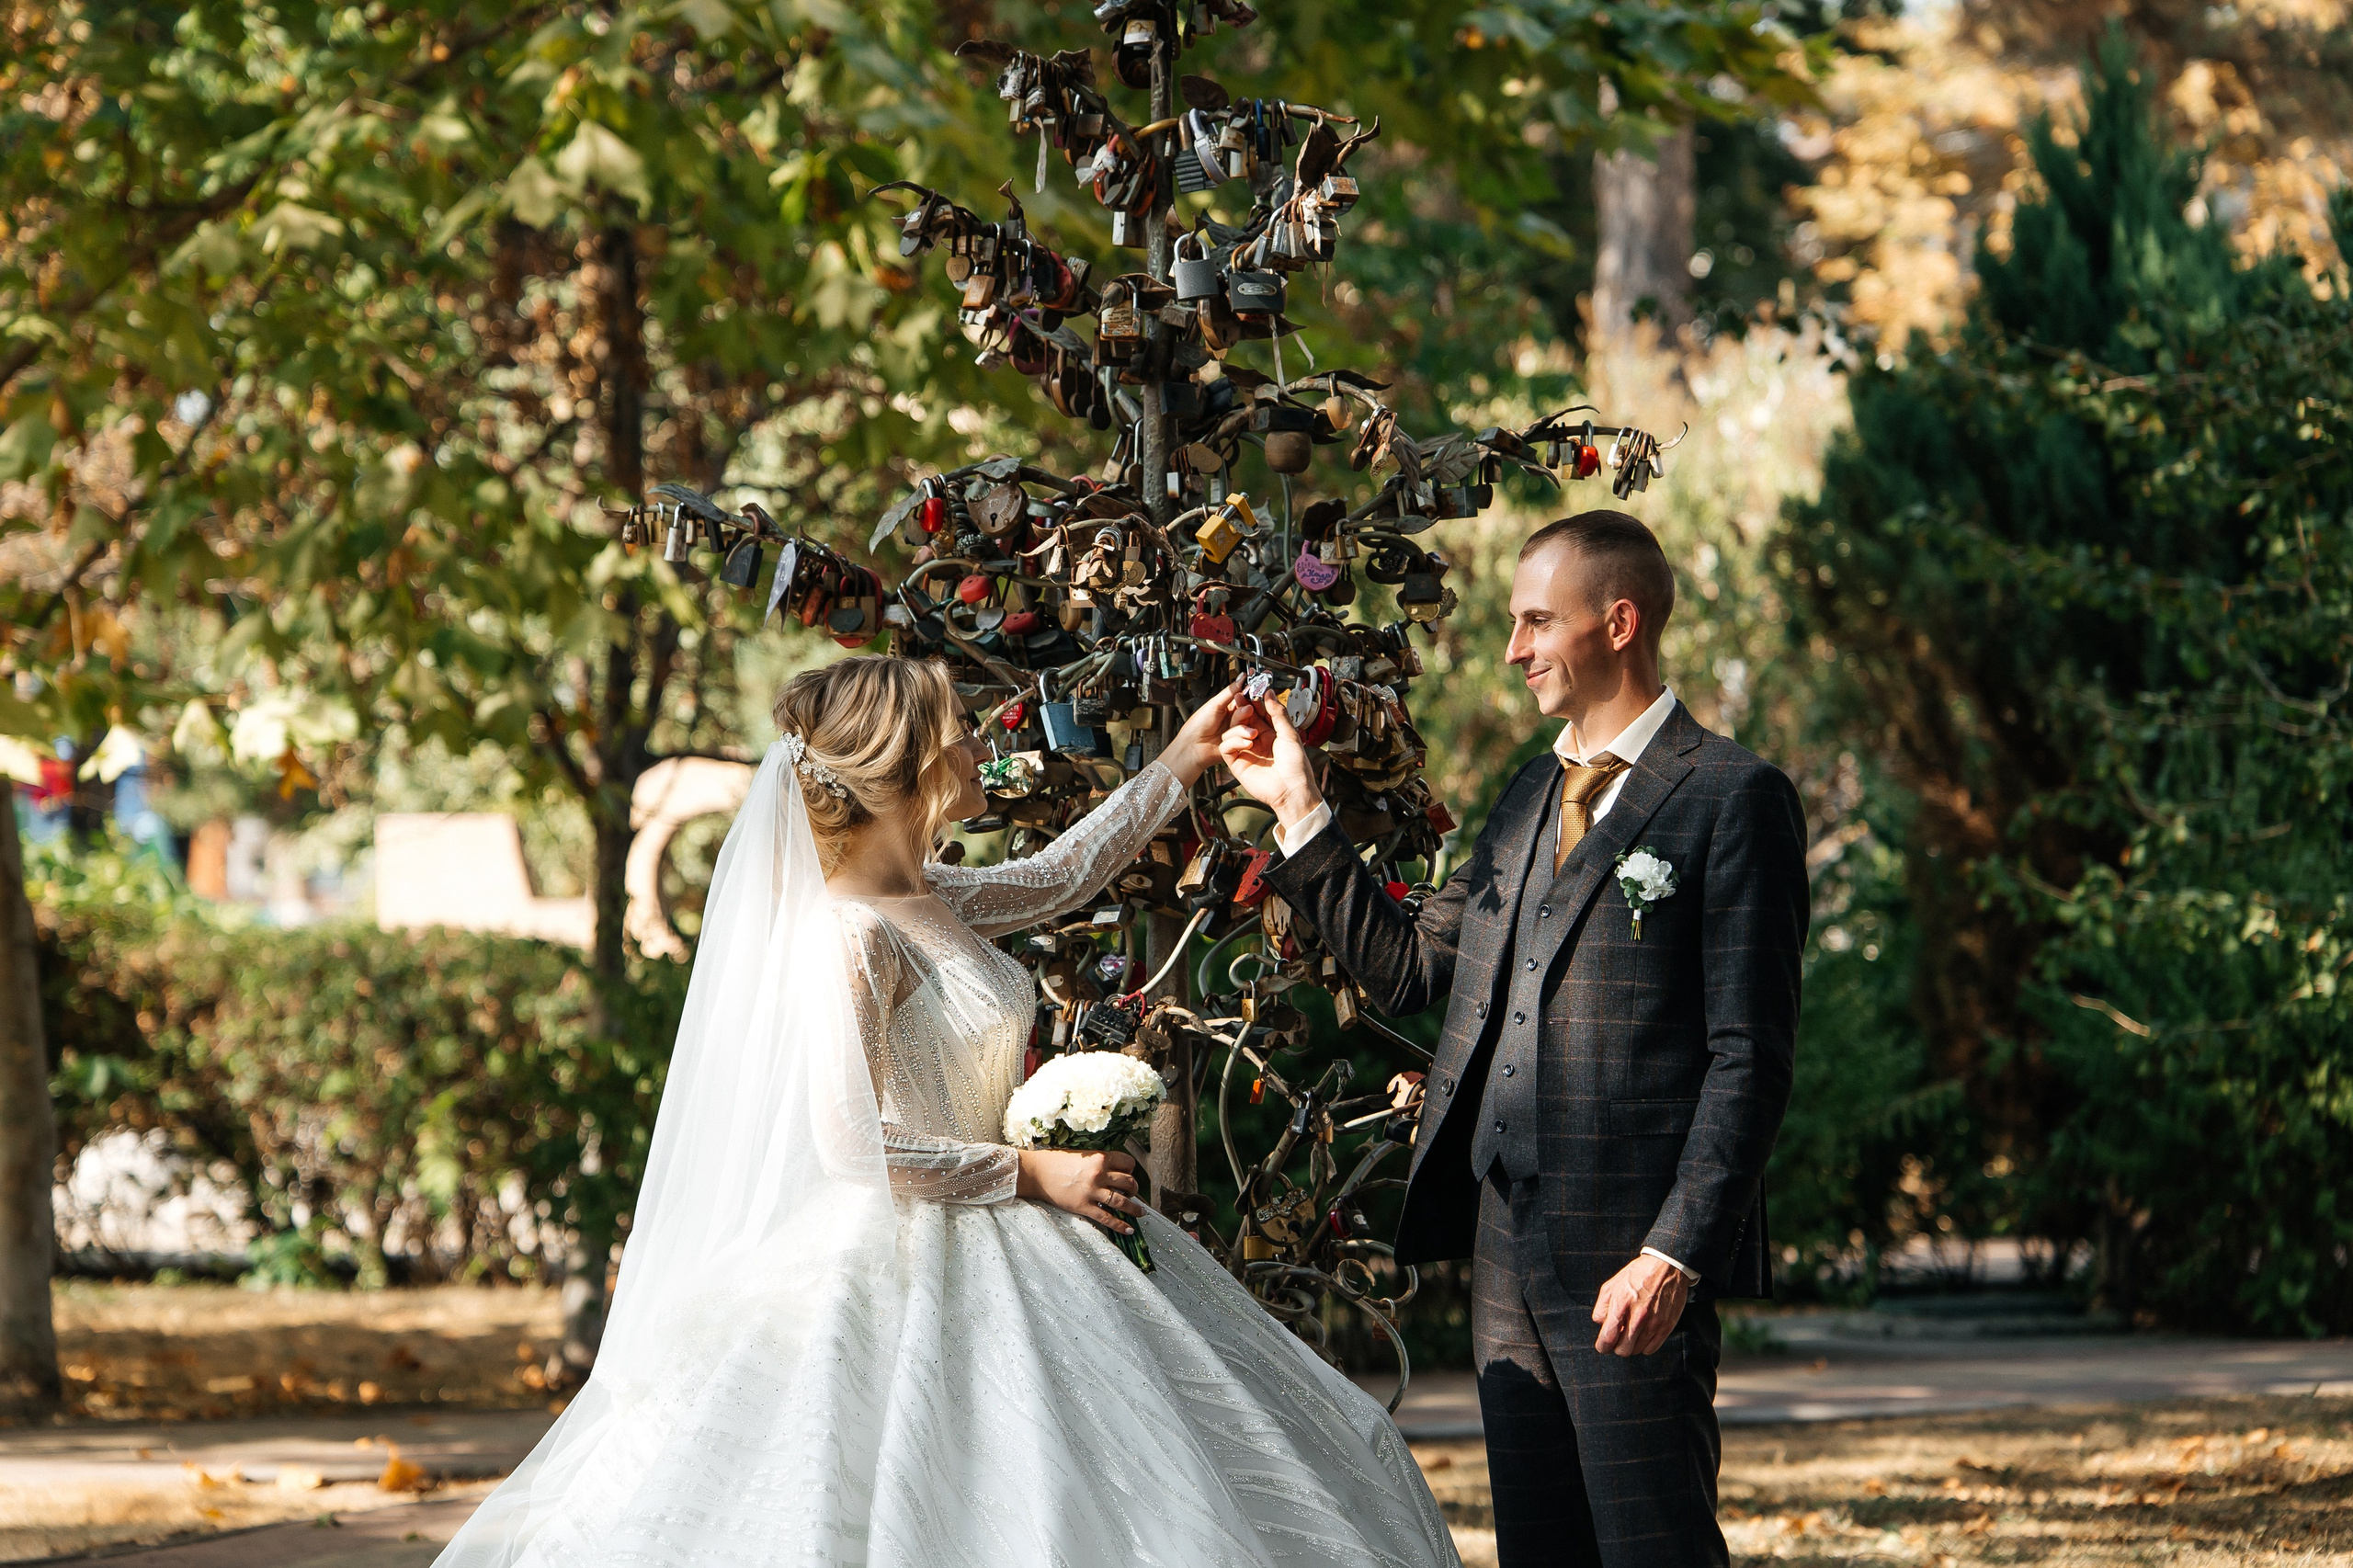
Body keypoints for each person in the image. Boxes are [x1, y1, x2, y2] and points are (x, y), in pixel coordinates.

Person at [437, 657, 1459, 1568]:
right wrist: (1032, 1172)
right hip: (915, 1241)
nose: (980, 741)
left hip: (1010, 1226)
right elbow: (850, 1140)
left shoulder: (932, 894)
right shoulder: (851, 935)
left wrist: (1186, 756)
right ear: (909, 765)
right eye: (959, 730)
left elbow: (1059, 875)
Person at [1220, 510, 1809, 1568]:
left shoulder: (1734, 797)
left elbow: (1748, 1055)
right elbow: (1412, 968)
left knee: (1652, 1546)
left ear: (1617, 621)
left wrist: (1674, 1250)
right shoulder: (1533, 792)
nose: (1513, 648)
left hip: (1631, 1256)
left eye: (1536, 621)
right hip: (1504, 1245)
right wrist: (1300, 808)